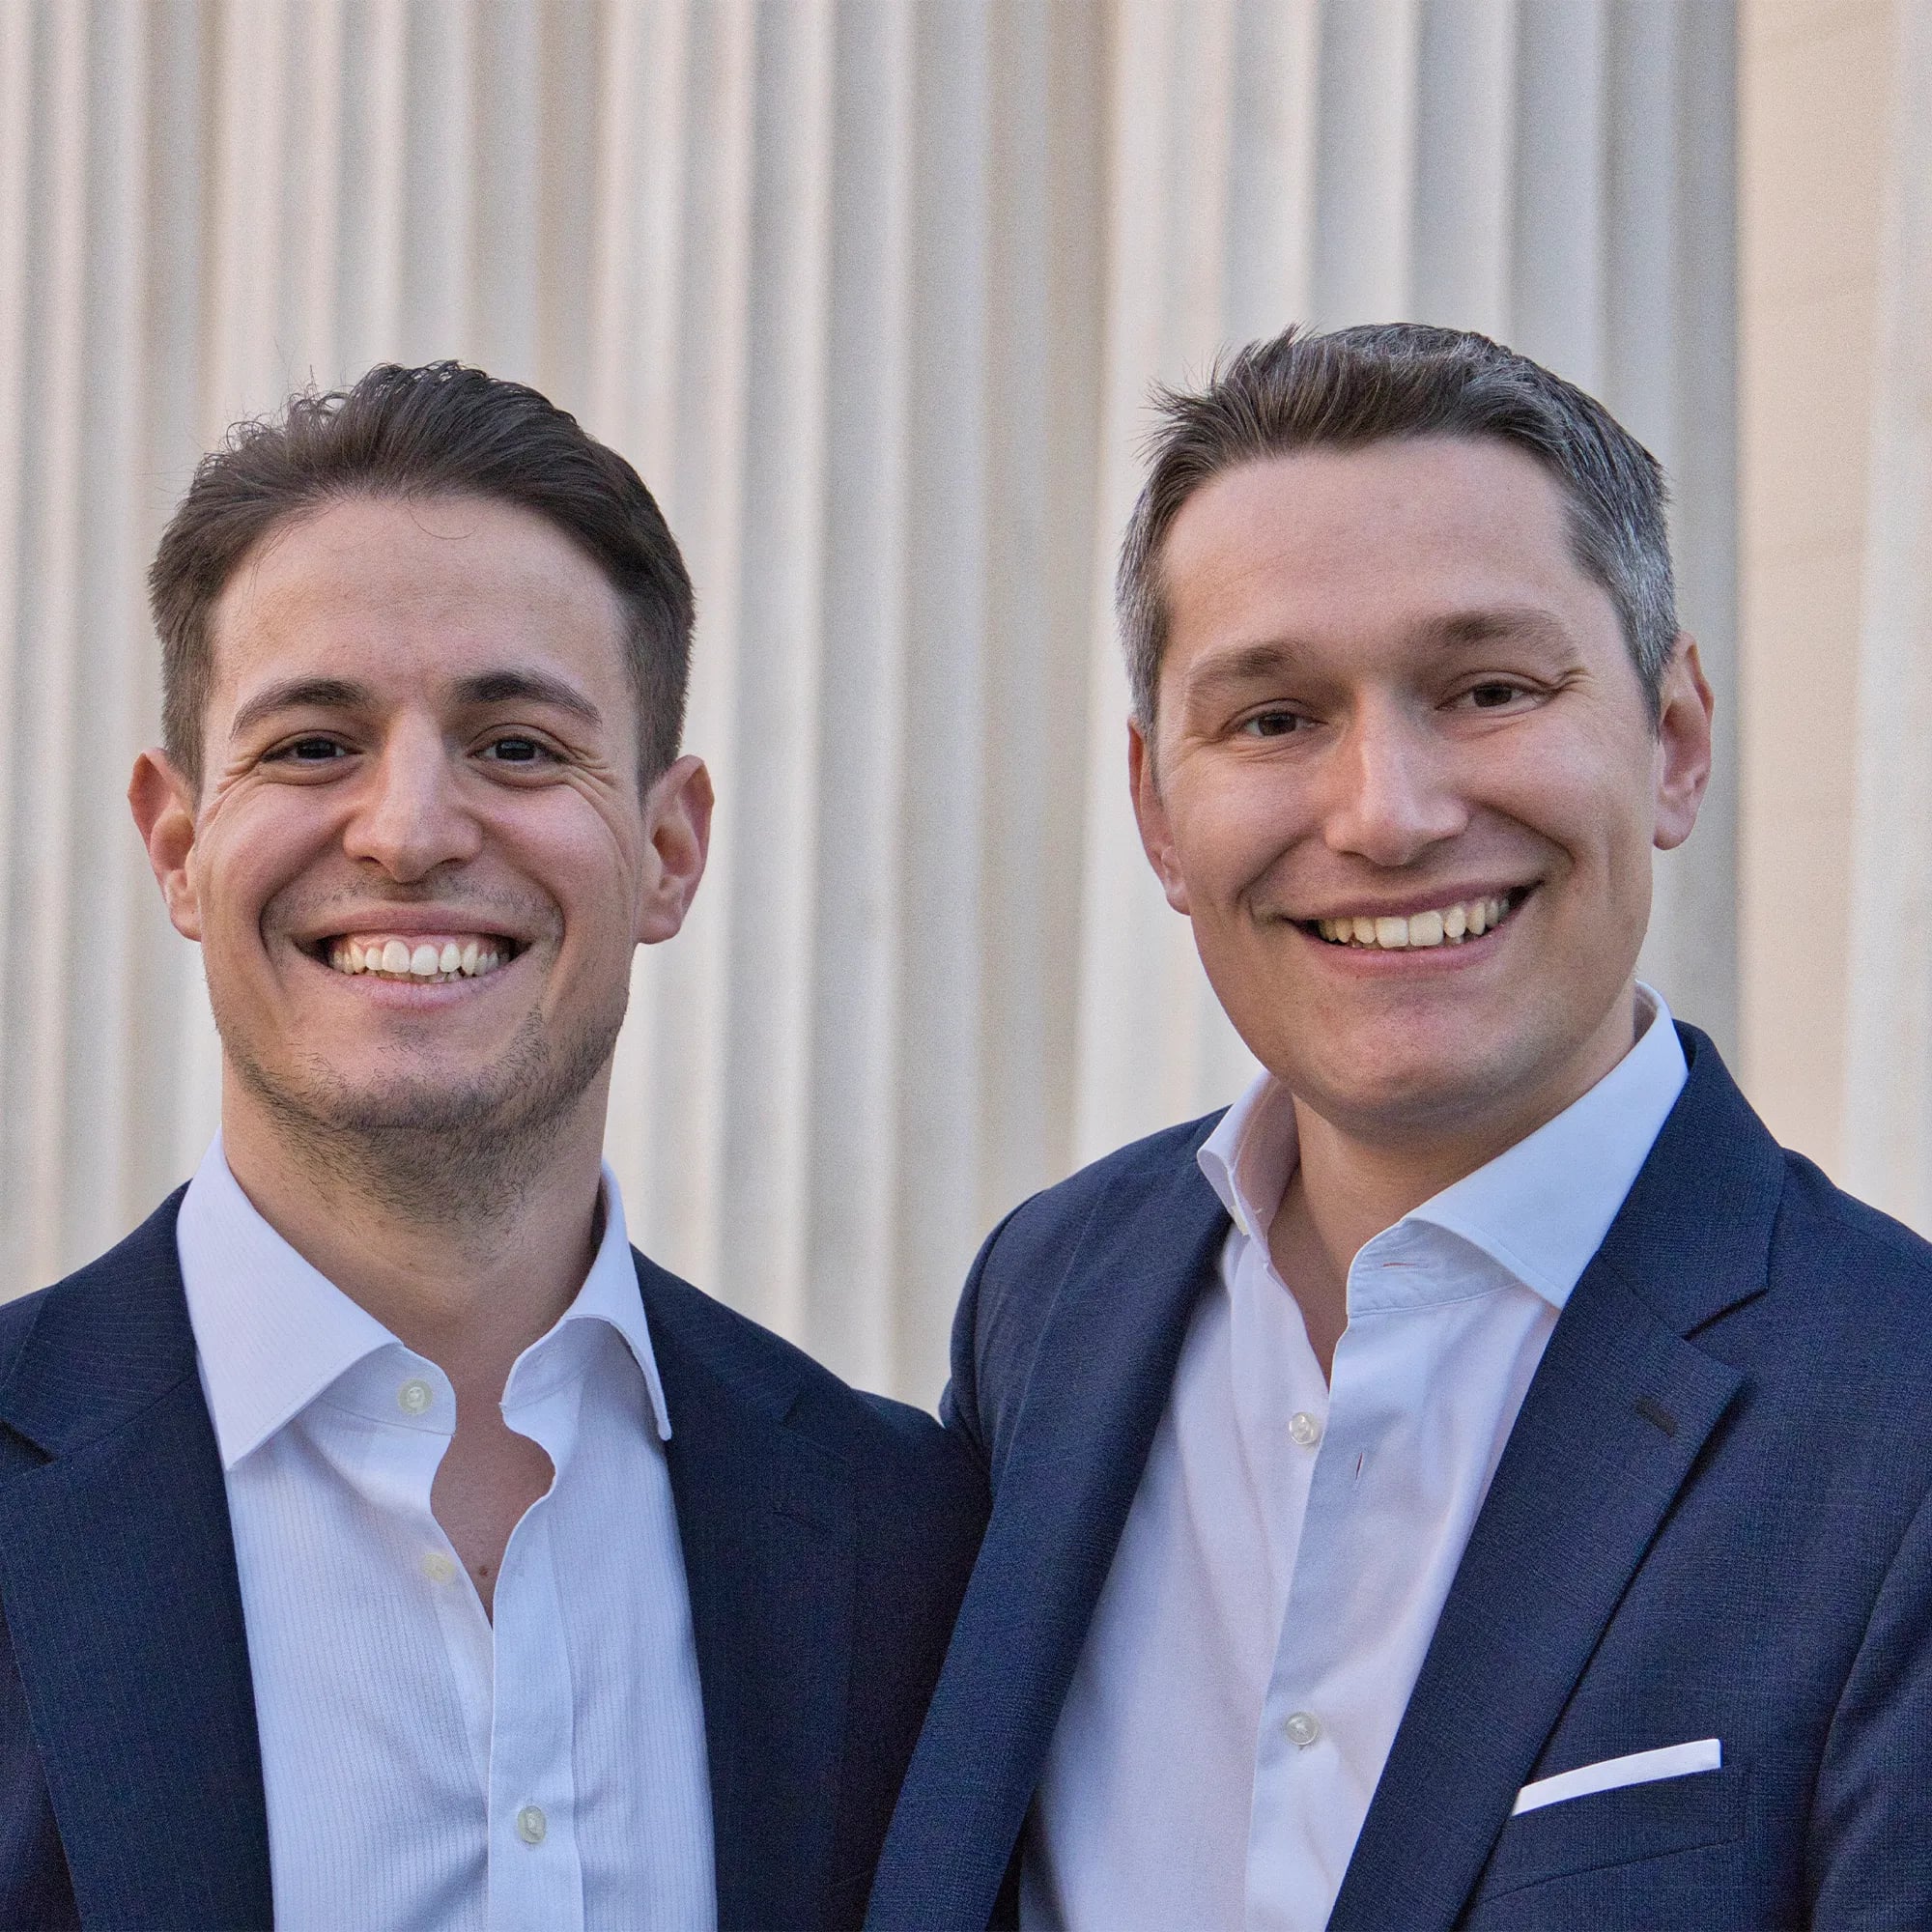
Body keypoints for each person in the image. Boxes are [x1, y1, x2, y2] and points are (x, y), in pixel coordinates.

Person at [866, 325, 1932, 1931]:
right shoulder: (1050, 1298)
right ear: (1158, 808)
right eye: (1274, 718)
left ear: (1675, 739)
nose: (1388, 814)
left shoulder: (1898, 1419)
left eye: (1489, 690)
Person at [0, 362, 984, 1932]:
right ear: (178, 844)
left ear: (668, 849)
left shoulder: (900, 1541)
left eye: (518, 746)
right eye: (312, 744)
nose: (408, 831)